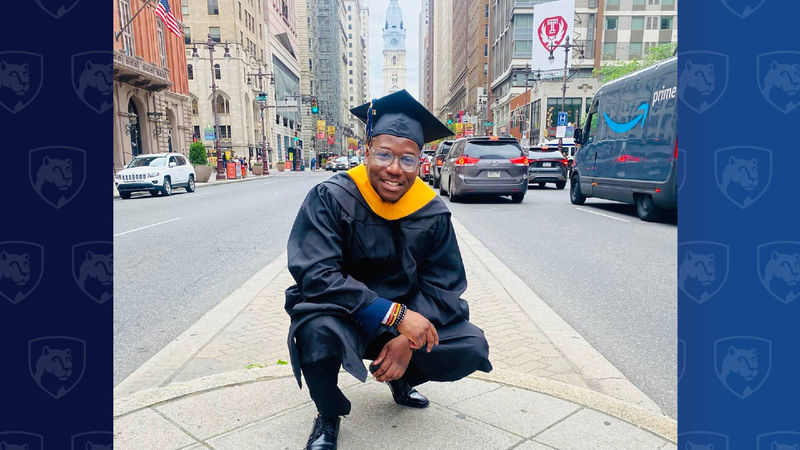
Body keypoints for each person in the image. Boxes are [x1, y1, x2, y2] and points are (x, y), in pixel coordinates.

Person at [285, 90, 492, 450]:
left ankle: (400, 376)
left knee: (471, 344)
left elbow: (444, 285)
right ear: (366, 152)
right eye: (384, 154)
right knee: (314, 331)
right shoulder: (331, 197)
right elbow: (317, 275)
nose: (394, 169)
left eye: (407, 159)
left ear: (420, 162)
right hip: (343, 317)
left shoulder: (430, 210)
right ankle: (328, 414)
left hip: (405, 321)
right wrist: (394, 316)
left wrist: (408, 339)